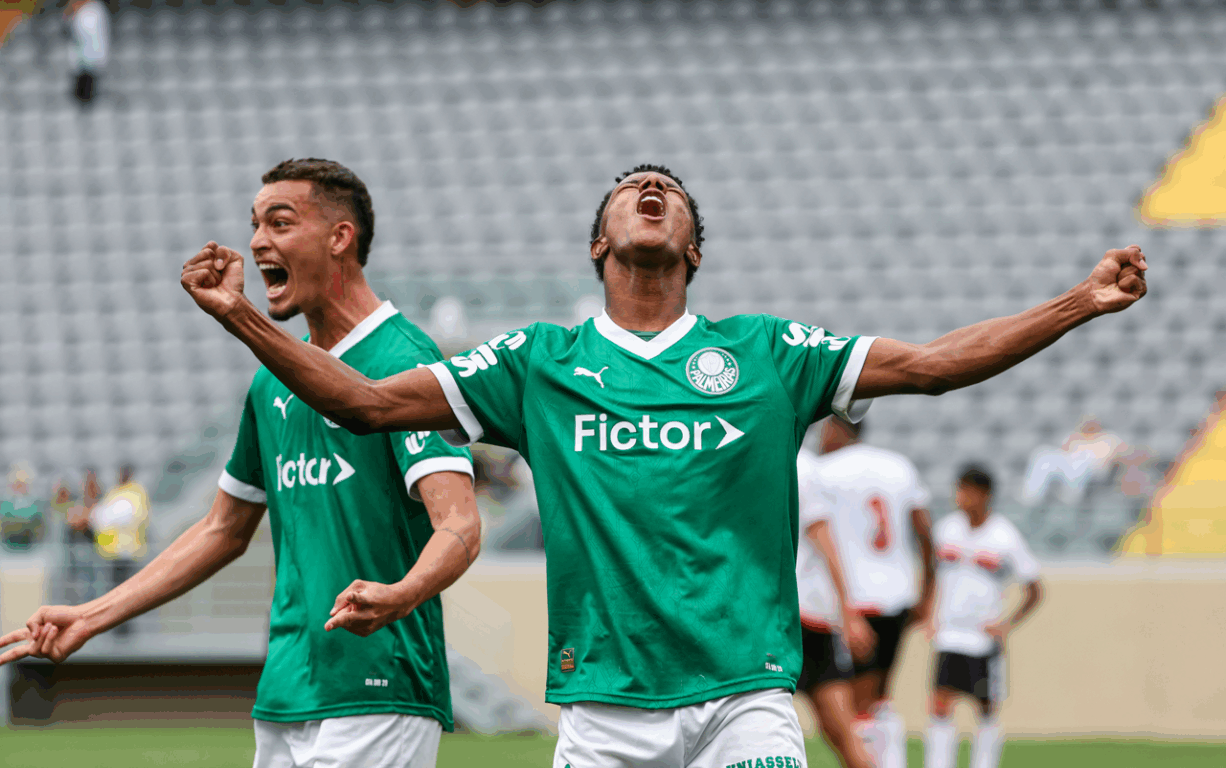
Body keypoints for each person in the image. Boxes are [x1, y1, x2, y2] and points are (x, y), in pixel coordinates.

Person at [180, 163, 1147, 768]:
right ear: (600, 241)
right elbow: (366, 402)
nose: (653, 191)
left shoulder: (768, 353)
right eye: (633, 188)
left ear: (694, 249)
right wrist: (242, 318)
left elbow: (932, 365)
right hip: (601, 712)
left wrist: (1079, 302)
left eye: (672, 193)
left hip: (745, 699)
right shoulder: (539, 363)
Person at [0, 158, 481, 768]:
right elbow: (222, 530)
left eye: (279, 223)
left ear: (340, 237)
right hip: (285, 694)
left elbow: (461, 524)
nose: (256, 242)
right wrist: (90, 616)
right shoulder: (270, 384)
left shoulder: (405, 359)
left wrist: (402, 595)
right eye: (254, 224)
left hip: (378, 690)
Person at [804, 416, 933, 768]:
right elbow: (924, 530)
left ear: (838, 429)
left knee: (849, 706)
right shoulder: (898, 466)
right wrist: (929, 592)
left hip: (852, 600)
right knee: (877, 698)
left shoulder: (822, 471)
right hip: (898, 594)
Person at [923, 466, 1043, 768]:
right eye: (959, 490)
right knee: (940, 703)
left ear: (984, 494)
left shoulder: (1004, 536)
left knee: (986, 708)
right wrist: (928, 613)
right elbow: (930, 574)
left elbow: (1034, 588)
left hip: (982, 639)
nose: (960, 497)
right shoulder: (946, 530)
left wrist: (1007, 624)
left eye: (966, 491)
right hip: (949, 635)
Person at [794, 428, 877, 768]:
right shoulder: (803, 466)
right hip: (806, 616)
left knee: (838, 727)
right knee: (839, 729)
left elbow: (824, 539)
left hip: (794, 618)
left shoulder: (798, 468)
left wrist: (848, 612)